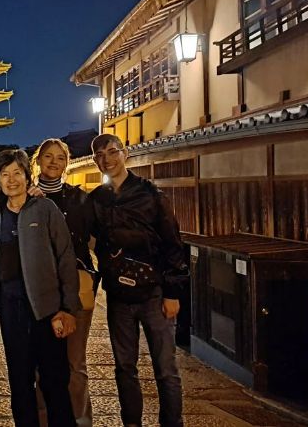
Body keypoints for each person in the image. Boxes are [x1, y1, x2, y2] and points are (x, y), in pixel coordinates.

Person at [85, 134, 188, 427]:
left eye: (112, 152)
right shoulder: (97, 200)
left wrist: (173, 291)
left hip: (154, 291)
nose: (107, 159)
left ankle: (172, 423)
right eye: (100, 155)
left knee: (166, 369)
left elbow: (172, 242)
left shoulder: (150, 193)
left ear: (125, 153)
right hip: (118, 293)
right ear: (95, 160)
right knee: (124, 367)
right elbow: (81, 234)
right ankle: (131, 422)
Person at [0, 149, 80, 427]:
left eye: (17, 172)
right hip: (11, 307)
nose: (11, 179)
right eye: (5, 174)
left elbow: (65, 257)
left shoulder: (45, 209)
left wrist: (68, 307)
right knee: (20, 380)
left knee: (54, 379)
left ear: (28, 176)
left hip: (46, 307)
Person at [32, 138, 98, 426]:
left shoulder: (79, 199)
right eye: (48, 156)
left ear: (67, 163)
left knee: (75, 362)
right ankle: (44, 419)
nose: (54, 162)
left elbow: (95, 239)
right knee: (41, 363)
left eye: (60, 157)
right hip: (39, 289)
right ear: (38, 160)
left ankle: (79, 419)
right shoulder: (25, 197)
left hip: (75, 285)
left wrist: (94, 276)